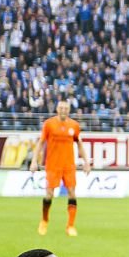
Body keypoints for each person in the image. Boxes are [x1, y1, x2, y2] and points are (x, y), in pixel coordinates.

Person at [30, 101, 92, 237]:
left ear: (69, 110)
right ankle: (44, 221)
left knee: (72, 193)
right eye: (61, 108)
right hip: (52, 165)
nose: (63, 110)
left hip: (69, 165)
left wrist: (86, 162)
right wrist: (34, 161)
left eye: (66, 108)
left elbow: (80, 144)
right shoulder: (49, 124)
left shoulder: (74, 126)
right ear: (57, 109)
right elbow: (40, 143)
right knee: (49, 194)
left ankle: (70, 226)